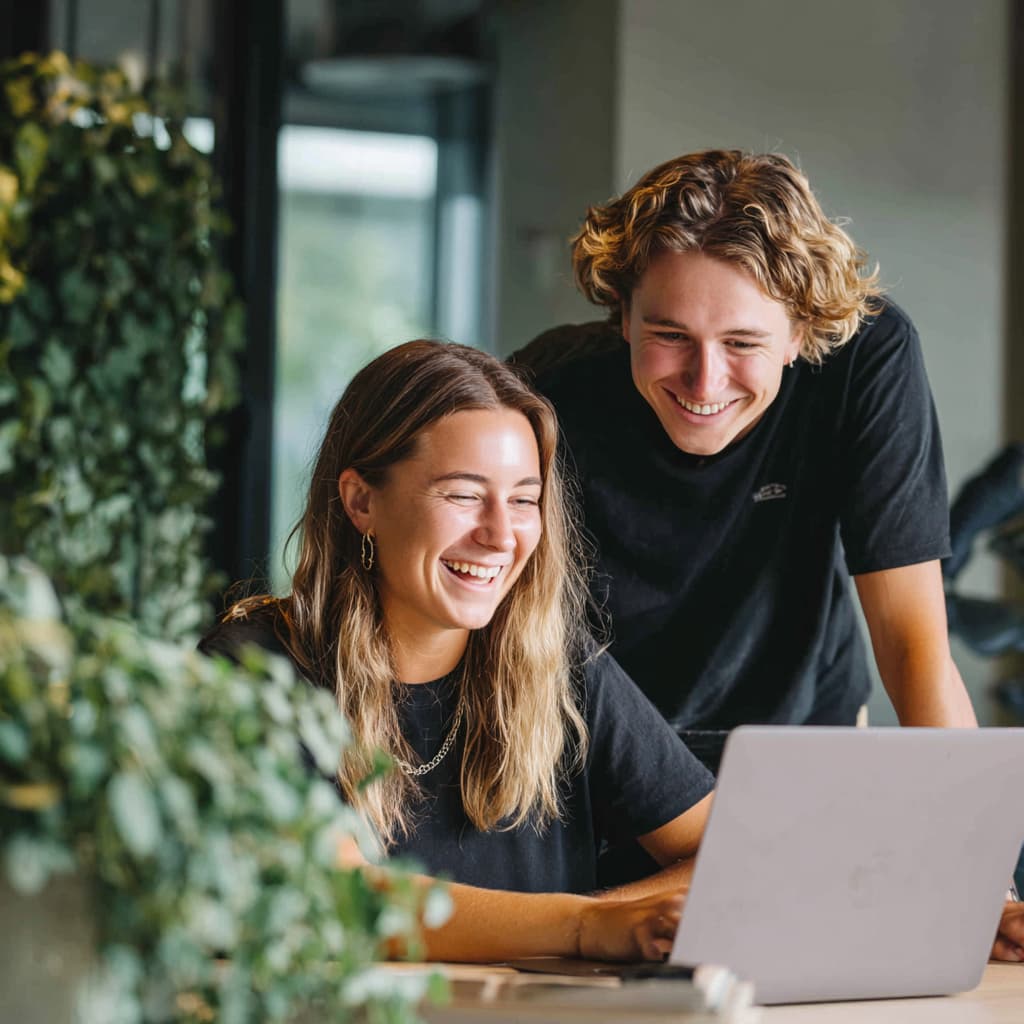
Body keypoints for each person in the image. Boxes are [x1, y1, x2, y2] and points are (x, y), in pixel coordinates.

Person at [201, 339, 716, 963]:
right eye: (464, 495)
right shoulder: (253, 670)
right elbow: (335, 897)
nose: (501, 535)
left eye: (523, 500)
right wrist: (583, 927)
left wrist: (611, 918)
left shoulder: (558, 666)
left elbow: (729, 853)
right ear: (362, 501)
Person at [514, 149, 977, 772]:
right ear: (623, 314)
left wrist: (972, 821)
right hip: (605, 744)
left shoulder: (864, 360)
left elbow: (910, 642)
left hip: (805, 729)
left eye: (742, 343)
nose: (705, 383)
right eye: (671, 335)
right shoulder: (547, 391)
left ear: (799, 334)